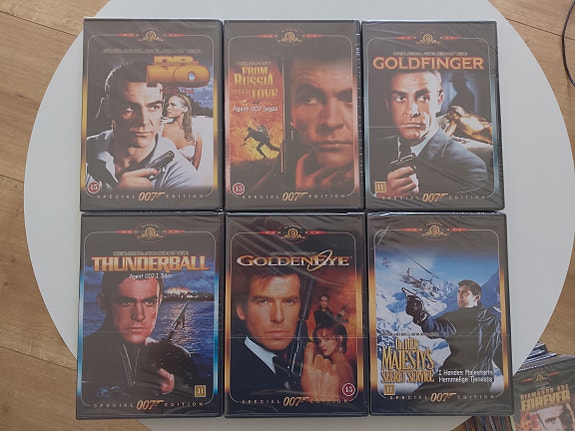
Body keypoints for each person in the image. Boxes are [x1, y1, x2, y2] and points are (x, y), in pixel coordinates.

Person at [253, 40, 358, 194]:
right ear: (289, 110)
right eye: (310, 99)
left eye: (349, 99)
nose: (331, 121)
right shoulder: (285, 162)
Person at [81, 271, 198, 404]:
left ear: (159, 302)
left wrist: (174, 390)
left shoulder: (180, 358)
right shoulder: (83, 354)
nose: (139, 316)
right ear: (103, 303)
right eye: (126, 302)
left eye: (149, 302)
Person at [230, 267, 342, 402]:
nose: (278, 317)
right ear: (241, 310)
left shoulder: (308, 362)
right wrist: (321, 401)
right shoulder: (232, 371)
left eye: (289, 301)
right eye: (264, 301)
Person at [373, 69, 488, 198]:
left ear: (439, 101)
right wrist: (382, 195)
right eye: (400, 98)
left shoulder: (468, 167)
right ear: (388, 104)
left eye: (423, 98)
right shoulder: (372, 151)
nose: (413, 111)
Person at [85, 62, 197, 192]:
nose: (143, 121)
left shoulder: (185, 177)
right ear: (108, 109)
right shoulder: (81, 152)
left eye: (153, 107)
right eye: (130, 107)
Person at [405, 279, 502, 394]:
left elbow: (500, 354)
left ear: (476, 297)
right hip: (451, 376)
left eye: (465, 292)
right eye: (459, 292)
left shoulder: (494, 322)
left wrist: (511, 381)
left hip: (479, 382)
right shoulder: (455, 318)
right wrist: (421, 316)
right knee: (414, 401)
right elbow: (435, 329)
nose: (460, 296)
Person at [312, 320, 355, 401]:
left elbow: (347, 400)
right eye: (319, 341)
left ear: (340, 339)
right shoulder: (340, 363)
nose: (321, 344)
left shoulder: (340, 366)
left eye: (327, 339)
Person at [162, 93, 203, 170]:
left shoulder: (196, 136)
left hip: (185, 177)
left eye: (173, 105)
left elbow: (194, 169)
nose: (168, 108)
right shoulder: (160, 129)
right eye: (168, 105)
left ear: (185, 109)